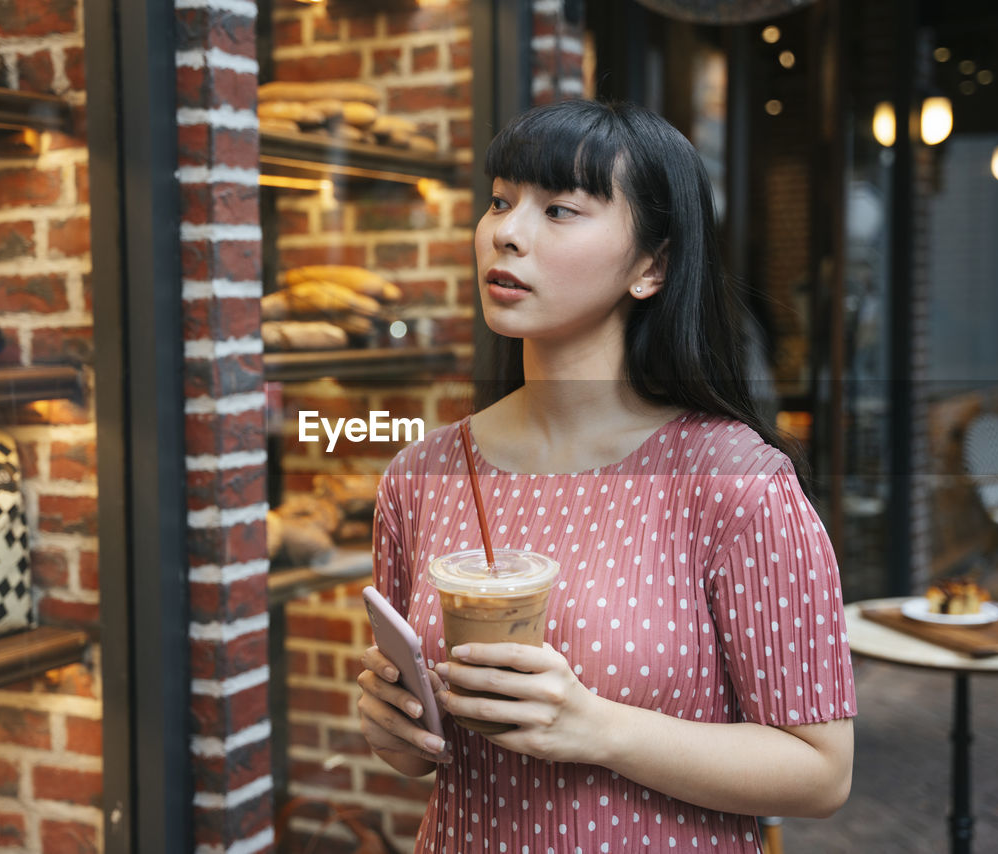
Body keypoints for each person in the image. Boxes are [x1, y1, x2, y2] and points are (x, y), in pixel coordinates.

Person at [356, 99, 856, 853]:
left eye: (559, 209)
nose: (507, 233)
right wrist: (394, 730)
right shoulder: (422, 474)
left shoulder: (734, 483)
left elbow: (821, 773)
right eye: (500, 201)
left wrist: (598, 729)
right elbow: (425, 757)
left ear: (652, 267)